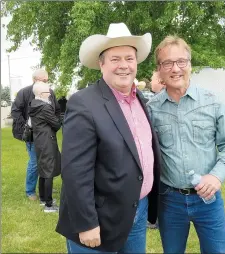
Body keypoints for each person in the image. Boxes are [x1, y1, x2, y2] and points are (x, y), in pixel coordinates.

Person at [55, 23, 161, 253]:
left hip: (137, 210)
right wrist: (86, 223)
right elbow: (75, 170)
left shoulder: (139, 99)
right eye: (115, 59)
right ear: (101, 64)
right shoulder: (84, 103)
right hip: (99, 219)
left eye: (129, 58)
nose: (124, 65)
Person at [147, 35, 225, 254]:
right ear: (159, 70)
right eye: (167, 63)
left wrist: (216, 176)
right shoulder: (151, 108)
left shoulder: (213, 101)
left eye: (181, 62)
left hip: (208, 199)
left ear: (190, 65)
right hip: (169, 201)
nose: (175, 68)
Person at [11, 69, 60, 201]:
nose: (45, 83)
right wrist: (26, 127)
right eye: (43, 80)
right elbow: (15, 111)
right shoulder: (24, 92)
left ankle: (45, 188)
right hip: (32, 135)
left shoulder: (50, 92)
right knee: (34, 163)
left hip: (46, 135)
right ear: (34, 80)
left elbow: (57, 110)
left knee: (47, 162)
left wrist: (52, 125)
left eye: (46, 80)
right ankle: (30, 191)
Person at [28, 81, 61, 212]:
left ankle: (42, 198)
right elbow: (56, 124)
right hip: (47, 141)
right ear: (42, 94)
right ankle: (49, 204)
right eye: (48, 92)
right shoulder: (45, 107)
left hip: (39, 140)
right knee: (49, 171)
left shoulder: (34, 104)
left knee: (43, 169)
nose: (50, 94)